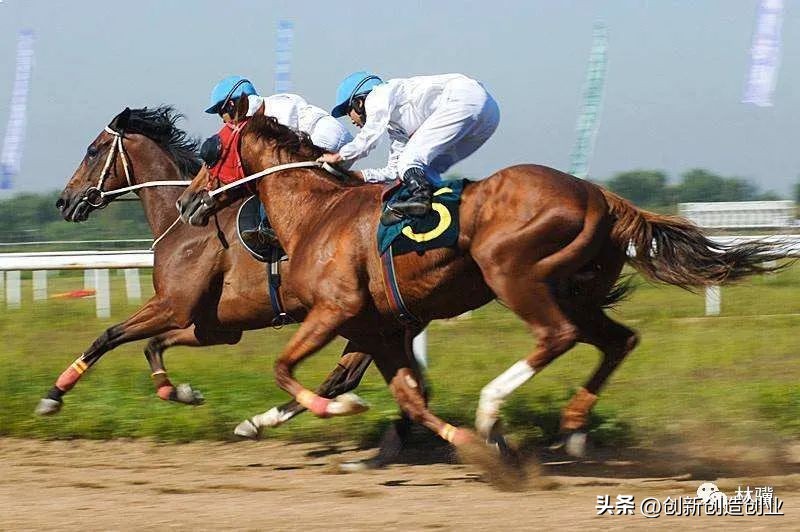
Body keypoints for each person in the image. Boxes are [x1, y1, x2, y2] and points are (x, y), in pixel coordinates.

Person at [318, 71, 500, 219]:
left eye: (348, 111)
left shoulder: (379, 94)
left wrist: (339, 156)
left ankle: (421, 201)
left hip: (464, 98)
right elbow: (395, 170)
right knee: (426, 170)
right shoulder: (397, 128)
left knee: (411, 161)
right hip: (489, 114)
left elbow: (370, 136)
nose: (350, 119)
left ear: (359, 102)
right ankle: (455, 213)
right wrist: (357, 176)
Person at [205, 75, 353, 248]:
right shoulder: (270, 105)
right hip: (336, 139)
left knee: (272, 177)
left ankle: (270, 227)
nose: (223, 120)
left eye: (220, 113)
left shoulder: (264, 115)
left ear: (231, 105)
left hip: (326, 139)